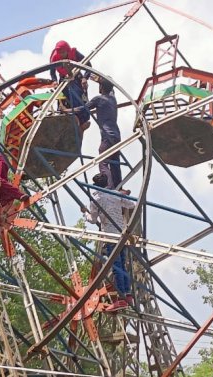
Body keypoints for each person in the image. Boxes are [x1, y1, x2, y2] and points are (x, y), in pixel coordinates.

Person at [82, 173, 134, 312]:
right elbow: (131, 204)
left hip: (110, 236)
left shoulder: (96, 199)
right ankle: (128, 294)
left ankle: (122, 298)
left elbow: (93, 220)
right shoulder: (115, 194)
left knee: (116, 267)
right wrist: (123, 195)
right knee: (122, 265)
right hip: (121, 234)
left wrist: (84, 214)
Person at [71, 78, 122, 190]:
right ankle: (119, 187)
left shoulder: (98, 99)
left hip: (107, 136)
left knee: (102, 161)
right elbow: (111, 85)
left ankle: (109, 186)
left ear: (101, 87)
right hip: (117, 136)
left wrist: (67, 110)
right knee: (115, 162)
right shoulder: (113, 98)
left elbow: (82, 109)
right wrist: (99, 80)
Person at [49, 40, 92, 130]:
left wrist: (85, 78)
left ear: (67, 50)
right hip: (63, 80)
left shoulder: (74, 53)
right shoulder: (54, 58)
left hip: (76, 77)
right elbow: (52, 73)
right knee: (62, 98)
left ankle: (83, 120)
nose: (61, 55)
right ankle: (64, 118)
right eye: (59, 53)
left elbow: (88, 65)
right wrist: (54, 81)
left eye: (63, 52)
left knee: (80, 97)